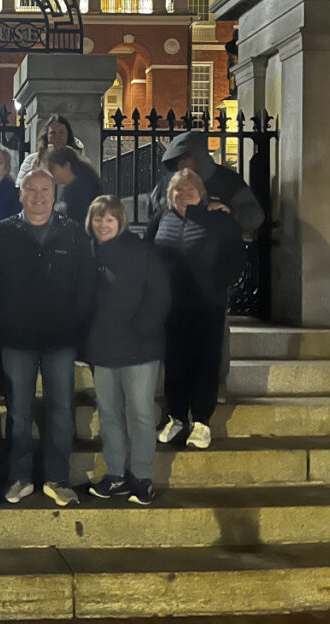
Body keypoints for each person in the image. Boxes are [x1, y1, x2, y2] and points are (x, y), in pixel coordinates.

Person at [0, 168, 94, 506]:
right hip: (17, 337)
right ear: (20, 193)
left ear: (54, 193)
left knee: (61, 409)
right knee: (18, 410)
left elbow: (87, 283)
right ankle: (19, 476)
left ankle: (58, 478)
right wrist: (2, 315)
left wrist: (75, 319)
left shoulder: (73, 233)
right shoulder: (3, 232)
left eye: (45, 189)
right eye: (32, 189)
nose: (39, 196)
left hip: (60, 337)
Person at [148, 169, 244, 450]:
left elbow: (235, 258)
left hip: (206, 305)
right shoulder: (160, 219)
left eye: (191, 188)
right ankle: (176, 416)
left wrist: (218, 286)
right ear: (170, 194)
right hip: (170, 306)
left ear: (201, 194)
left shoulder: (218, 219)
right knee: (175, 362)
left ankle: (201, 421)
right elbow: (148, 256)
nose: (184, 193)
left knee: (204, 362)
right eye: (178, 189)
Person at [84, 195, 170, 506]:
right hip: (103, 348)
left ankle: (143, 477)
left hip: (139, 348)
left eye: (108, 218)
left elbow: (159, 295)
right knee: (109, 415)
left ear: (120, 220)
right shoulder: (89, 253)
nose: (102, 224)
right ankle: (116, 474)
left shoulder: (142, 251)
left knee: (142, 415)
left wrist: (141, 330)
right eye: (97, 218)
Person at [148, 129, 263, 235]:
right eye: (177, 159)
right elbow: (154, 214)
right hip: (175, 249)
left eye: (186, 157)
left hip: (218, 248)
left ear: (199, 156)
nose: (182, 162)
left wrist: (229, 213)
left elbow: (255, 217)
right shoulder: (168, 182)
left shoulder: (228, 180)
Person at [16, 114, 84, 184]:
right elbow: (21, 188)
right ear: (47, 136)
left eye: (61, 132)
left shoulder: (77, 162)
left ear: (68, 135)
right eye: (53, 133)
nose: (58, 137)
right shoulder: (31, 161)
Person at [47, 145, 103, 224]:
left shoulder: (80, 187)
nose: (51, 173)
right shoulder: (79, 183)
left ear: (66, 165)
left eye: (53, 169)